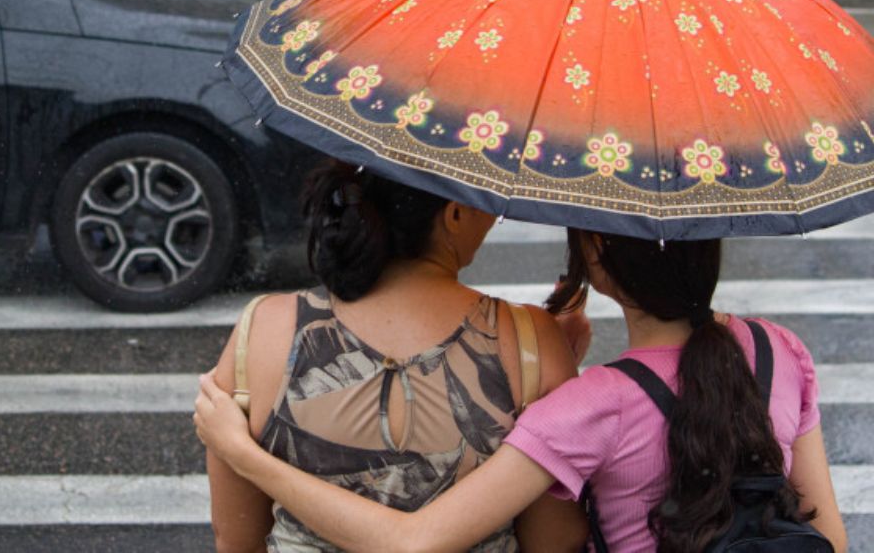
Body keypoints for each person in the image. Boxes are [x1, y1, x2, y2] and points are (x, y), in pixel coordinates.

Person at [196, 227, 848, 553]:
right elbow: (829, 535)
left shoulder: (589, 407)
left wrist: (245, 455)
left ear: (594, 254)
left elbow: (413, 543)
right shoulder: (777, 348)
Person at [205, 160, 589, 552]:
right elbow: (555, 538)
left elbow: (236, 538)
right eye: (484, 200)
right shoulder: (529, 341)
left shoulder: (265, 328)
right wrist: (555, 356)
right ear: (454, 215)